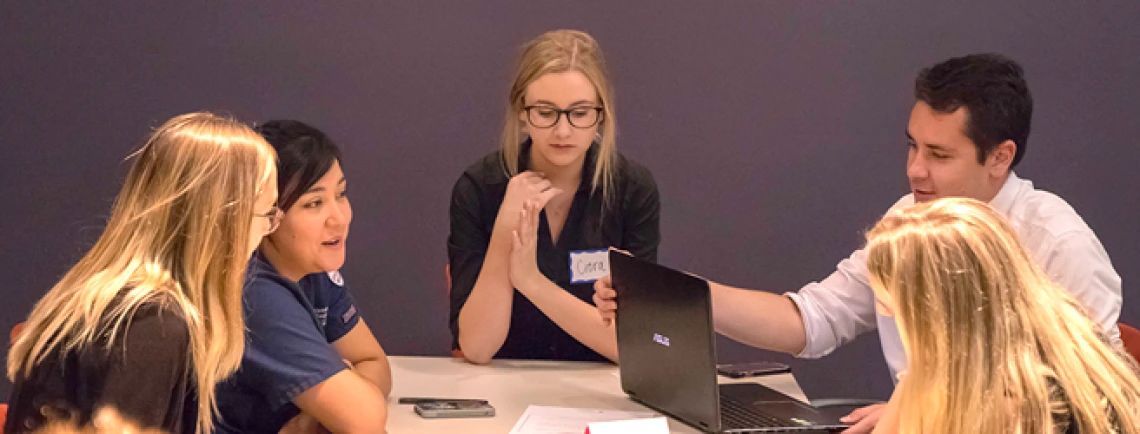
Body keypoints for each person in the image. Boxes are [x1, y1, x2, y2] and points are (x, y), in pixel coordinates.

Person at [595, 53, 1122, 433]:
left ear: (1000, 157)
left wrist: (926, 413)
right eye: (913, 146)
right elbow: (814, 319)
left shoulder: (1059, 245)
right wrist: (684, 297)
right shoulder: (910, 219)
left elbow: (1089, 401)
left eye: (939, 155)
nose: (915, 170)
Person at [5, 113, 278, 434]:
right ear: (222, 223)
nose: (268, 229)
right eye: (267, 213)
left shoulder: (115, 303)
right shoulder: (152, 326)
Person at [449, 29, 660, 364]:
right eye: (546, 113)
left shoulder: (631, 189)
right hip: (505, 384)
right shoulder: (480, 188)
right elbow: (477, 347)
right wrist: (506, 229)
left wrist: (532, 282)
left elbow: (633, 344)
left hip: (600, 390)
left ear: (600, 115)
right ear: (522, 111)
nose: (563, 131)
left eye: (579, 113)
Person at [864, 198, 1139, 434]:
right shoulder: (1047, 333)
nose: (883, 312)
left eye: (890, 303)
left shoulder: (1017, 408)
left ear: (935, 313)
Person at [213, 120, 390, 434]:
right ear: (267, 215)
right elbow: (365, 419)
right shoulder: (253, 291)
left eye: (342, 194)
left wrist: (320, 414)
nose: (339, 217)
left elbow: (374, 363)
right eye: (314, 203)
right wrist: (342, 399)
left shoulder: (314, 269)